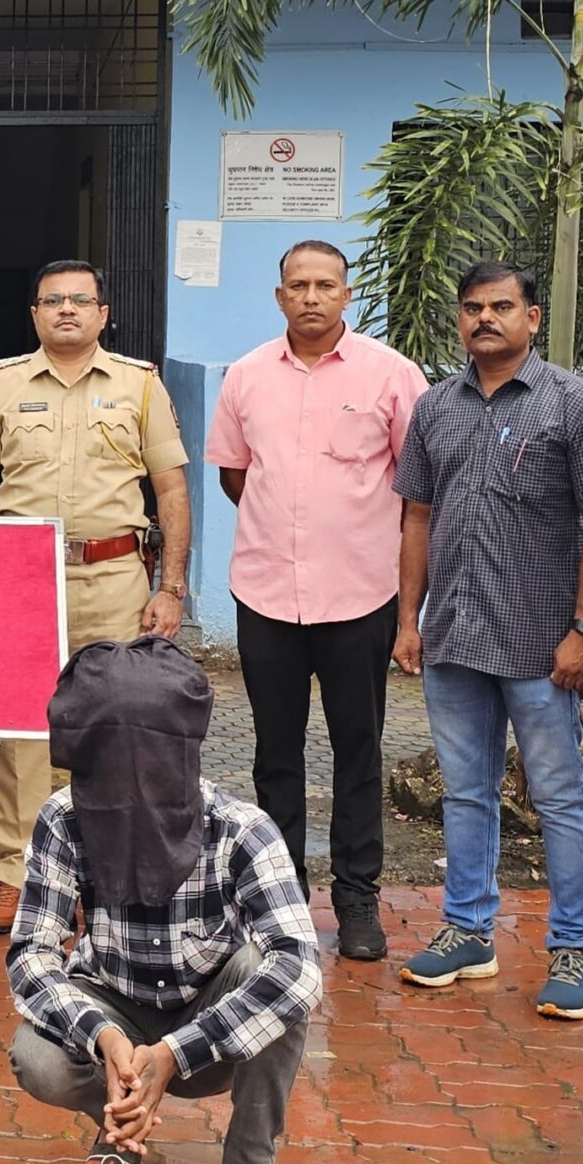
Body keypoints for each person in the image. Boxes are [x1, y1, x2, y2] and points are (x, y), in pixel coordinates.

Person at [7, 636, 322, 1164]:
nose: (123, 790)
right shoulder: (64, 820)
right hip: (113, 1010)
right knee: (36, 1055)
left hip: (207, 1028)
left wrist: (176, 1052)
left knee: (277, 986)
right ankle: (119, 1129)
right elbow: (31, 957)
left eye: (143, 769)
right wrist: (104, 1036)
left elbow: (299, 966)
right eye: (100, 770)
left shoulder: (242, 829)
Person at [393, 261, 583, 1018]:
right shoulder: (435, 407)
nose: (484, 318)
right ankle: (468, 930)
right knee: (465, 792)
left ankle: (578, 948)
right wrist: (408, 620)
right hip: (454, 635)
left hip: (541, 641)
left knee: (558, 795)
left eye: (500, 306)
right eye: (471, 307)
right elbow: (417, 517)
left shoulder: (576, 405)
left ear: (532, 317)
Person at [206, 240, 429, 964]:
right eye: (298, 285)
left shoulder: (392, 375)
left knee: (358, 749)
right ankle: (281, 897)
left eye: (324, 285)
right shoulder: (246, 376)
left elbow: (416, 488)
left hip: (359, 593)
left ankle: (357, 899)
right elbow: (236, 476)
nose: (310, 296)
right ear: (279, 296)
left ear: (346, 294)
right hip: (267, 591)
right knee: (275, 754)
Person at [0, 259, 190, 935]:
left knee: (115, 727)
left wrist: (171, 587)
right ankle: (18, 874)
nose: (67, 309)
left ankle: (104, 875)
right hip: (21, 577)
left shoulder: (139, 384)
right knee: (23, 732)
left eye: (80, 300)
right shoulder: (1, 382)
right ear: (34, 313)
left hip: (114, 578)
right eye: (53, 300)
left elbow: (170, 489)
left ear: (102, 314)